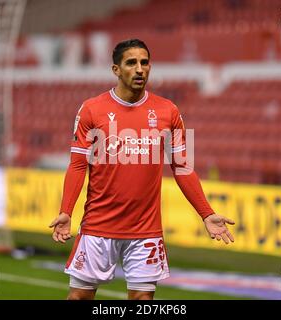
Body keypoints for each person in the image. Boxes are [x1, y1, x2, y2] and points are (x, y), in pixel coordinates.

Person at [49, 39, 235, 300]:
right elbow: (78, 164)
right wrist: (66, 211)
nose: (139, 69)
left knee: (142, 300)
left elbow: (182, 167)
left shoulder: (167, 111)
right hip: (98, 226)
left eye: (144, 63)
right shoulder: (92, 109)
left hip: (145, 230)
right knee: (79, 297)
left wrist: (206, 213)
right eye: (131, 63)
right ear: (116, 69)